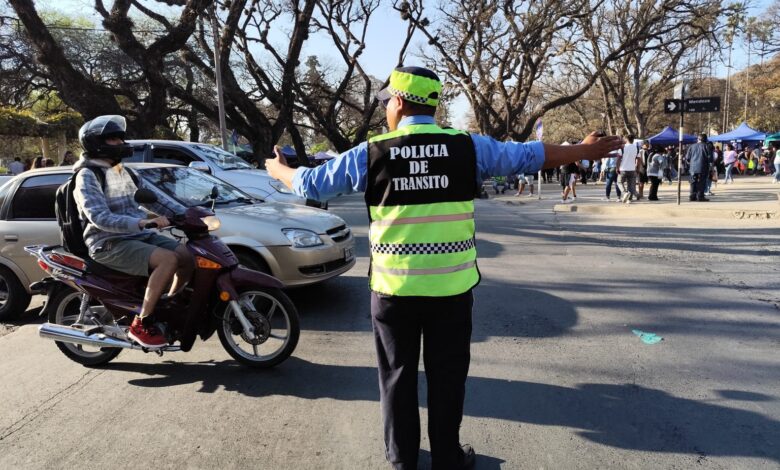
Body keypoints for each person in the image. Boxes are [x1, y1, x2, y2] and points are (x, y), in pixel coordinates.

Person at [265, 66, 622, 470]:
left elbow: (311, 184)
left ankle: (402, 460)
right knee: (447, 378)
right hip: (452, 291)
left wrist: (277, 169)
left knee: (397, 377)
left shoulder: (372, 152)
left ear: (398, 102)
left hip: (394, 291)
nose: (386, 111)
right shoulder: (467, 146)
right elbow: (527, 155)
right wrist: (582, 151)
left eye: (387, 103)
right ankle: (448, 459)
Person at [73, 115, 194, 348]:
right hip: (107, 242)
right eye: (113, 139)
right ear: (95, 142)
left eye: (120, 138)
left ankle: (168, 303)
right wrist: (140, 223)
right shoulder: (87, 175)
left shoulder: (122, 171)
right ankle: (142, 323)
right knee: (168, 260)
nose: (120, 143)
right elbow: (99, 217)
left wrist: (188, 213)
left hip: (136, 236)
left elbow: (156, 200)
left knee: (187, 256)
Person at [685, 133, 711, 202]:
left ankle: (692, 196)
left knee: (693, 182)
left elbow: (687, 158)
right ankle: (700, 196)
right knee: (702, 182)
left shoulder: (691, 146)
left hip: (693, 167)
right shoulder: (707, 146)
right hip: (703, 167)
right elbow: (710, 158)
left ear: (698, 139)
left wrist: (690, 164)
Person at [617, 135, 639, 203]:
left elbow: (618, 158)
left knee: (619, 182)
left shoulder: (622, 147)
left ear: (626, 139)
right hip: (632, 169)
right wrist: (637, 167)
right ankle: (629, 199)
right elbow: (638, 159)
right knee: (630, 185)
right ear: (633, 139)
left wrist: (617, 167)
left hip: (623, 168)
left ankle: (625, 193)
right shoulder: (636, 148)